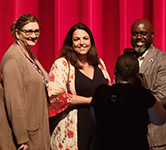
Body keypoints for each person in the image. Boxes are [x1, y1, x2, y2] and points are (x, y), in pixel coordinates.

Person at [48, 23, 111, 150]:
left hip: (100, 127)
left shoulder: (99, 63)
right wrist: (89, 101)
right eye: (77, 39)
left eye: (85, 38)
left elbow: (109, 88)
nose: (82, 43)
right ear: (71, 43)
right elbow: (55, 96)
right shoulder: (62, 64)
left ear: (91, 41)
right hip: (74, 128)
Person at [91, 54, 166, 150]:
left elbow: (95, 118)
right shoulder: (142, 95)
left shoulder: (101, 91)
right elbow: (160, 119)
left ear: (115, 70)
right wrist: (147, 89)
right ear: (137, 74)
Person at [0, 14, 50, 150]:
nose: (33, 36)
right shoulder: (13, 60)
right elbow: (14, 102)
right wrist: (22, 138)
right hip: (26, 137)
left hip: (37, 128)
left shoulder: (29, 55)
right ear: (17, 33)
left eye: (36, 31)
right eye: (29, 31)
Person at [130, 18, 166, 150]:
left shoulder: (162, 60)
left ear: (152, 35)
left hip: (154, 137)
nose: (139, 37)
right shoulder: (127, 59)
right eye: (135, 33)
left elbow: (161, 98)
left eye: (143, 33)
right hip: (130, 138)